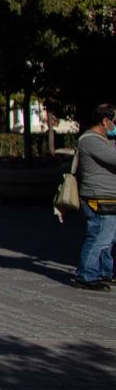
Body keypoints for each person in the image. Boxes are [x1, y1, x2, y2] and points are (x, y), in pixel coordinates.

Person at [73, 103, 116, 290]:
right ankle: (86, 275)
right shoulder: (90, 140)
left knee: (108, 238)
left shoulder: (104, 139)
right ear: (106, 121)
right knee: (99, 236)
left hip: (107, 196)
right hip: (98, 197)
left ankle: (104, 272)